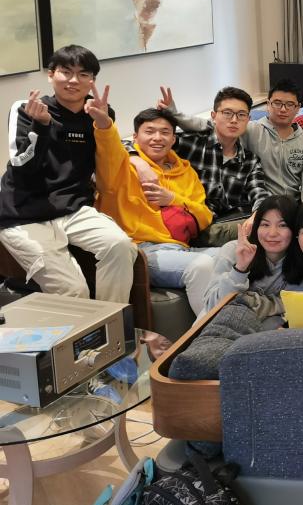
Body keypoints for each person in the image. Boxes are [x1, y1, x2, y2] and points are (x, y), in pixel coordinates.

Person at [0, 46, 135, 303]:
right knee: (74, 292)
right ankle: (89, 328)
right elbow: (21, 169)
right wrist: (41, 126)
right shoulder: (27, 109)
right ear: (51, 75)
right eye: (65, 72)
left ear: (92, 80)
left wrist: (105, 125)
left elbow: (109, 171)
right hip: (23, 214)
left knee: (120, 246)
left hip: (74, 208)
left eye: (83, 74)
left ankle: (111, 322)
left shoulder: (98, 112)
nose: (73, 80)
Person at [93, 103, 215, 316]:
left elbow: (204, 217)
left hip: (181, 248)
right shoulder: (120, 169)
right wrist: (104, 123)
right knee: (202, 265)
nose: (157, 138)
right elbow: (108, 149)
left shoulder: (185, 171)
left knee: (237, 253)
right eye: (149, 131)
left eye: (165, 132)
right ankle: (211, 333)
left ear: (173, 139)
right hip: (142, 251)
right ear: (135, 137)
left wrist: (172, 199)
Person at [146, 86, 269, 247]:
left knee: (271, 221)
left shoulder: (250, 161)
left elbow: (259, 192)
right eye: (227, 113)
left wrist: (258, 214)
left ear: (248, 119)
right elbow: (136, 144)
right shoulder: (192, 143)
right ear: (213, 116)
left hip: (225, 223)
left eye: (241, 115)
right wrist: (137, 161)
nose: (234, 120)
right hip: (189, 221)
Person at [159, 79, 303, 201]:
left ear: (298, 107)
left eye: (290, 104)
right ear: (268, 104)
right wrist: (175, 115)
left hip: (292, 205)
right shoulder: (251, 129)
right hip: (262, 204)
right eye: (277, 103)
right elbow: (210, 126)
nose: (283, 109)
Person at [203, 195, 303, 315]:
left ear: (295, 229)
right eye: (265, 225)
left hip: (261, 326)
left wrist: (251, 301)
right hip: (214, 323)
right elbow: (212, 307)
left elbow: (290, 307)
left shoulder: (302, 262)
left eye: (282, 225)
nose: (272, 233)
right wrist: (240, 270)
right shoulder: (233, 250)